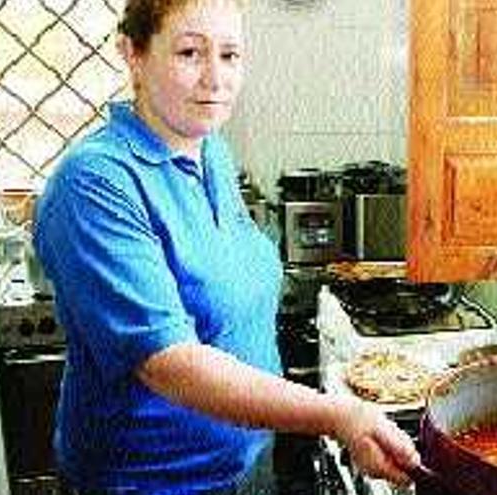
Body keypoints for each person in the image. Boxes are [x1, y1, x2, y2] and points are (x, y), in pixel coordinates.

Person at [32, 0, 420, 493]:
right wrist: (339, 414)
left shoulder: (209, 148)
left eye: (231, 55)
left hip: (247, 460)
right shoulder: (93, 184)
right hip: (154, 481)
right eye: (190, 53)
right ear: (133, 54)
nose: (215, 79)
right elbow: (169, 363)